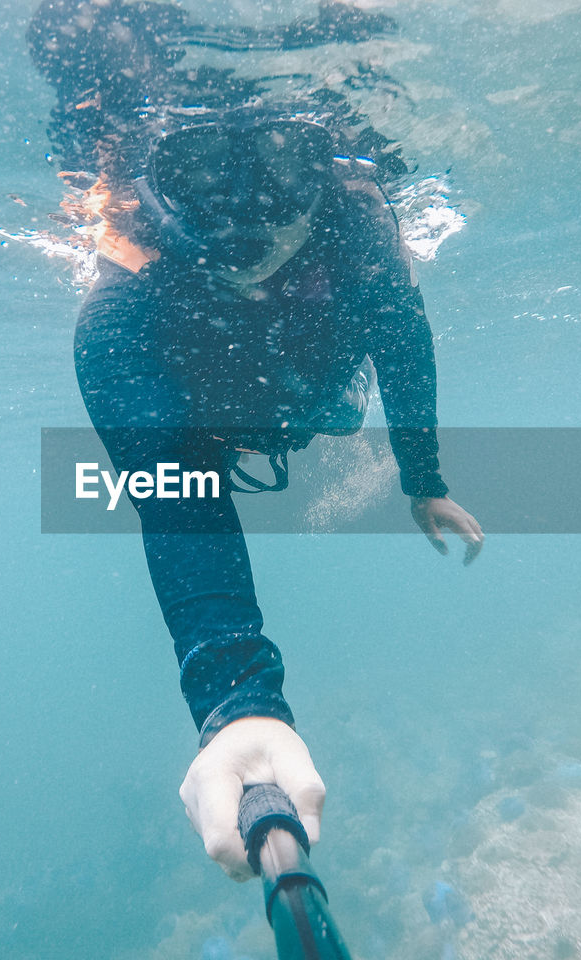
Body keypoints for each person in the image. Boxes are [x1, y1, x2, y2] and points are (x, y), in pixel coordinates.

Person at [27, 0, 484, 882]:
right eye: (201, 172)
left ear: (326, 165)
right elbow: (178, 506)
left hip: (309, 392)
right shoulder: (118, 319)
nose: (249, 213)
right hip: (216, 430)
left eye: (282, 164)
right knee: (198, 467)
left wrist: (421, 477)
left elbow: (402, 344)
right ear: (156, 185)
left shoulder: (360, 232)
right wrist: (238, 707)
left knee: (327, 408)